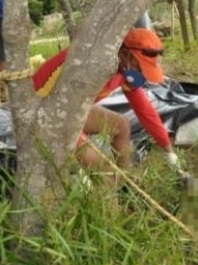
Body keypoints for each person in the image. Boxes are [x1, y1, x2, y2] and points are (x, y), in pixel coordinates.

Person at [32, 28, 180, 172]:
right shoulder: (93, 65)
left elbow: (145, 110)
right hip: (46, 111)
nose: (141, 74)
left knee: (122, 125)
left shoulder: (123, 68)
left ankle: (123, 182)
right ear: (125, 54)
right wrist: (85, 145)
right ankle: (110, 184)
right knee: (105, 170)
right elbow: (67, 115)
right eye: (140, 68)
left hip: (73, 107)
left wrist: (168, 150)